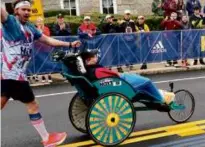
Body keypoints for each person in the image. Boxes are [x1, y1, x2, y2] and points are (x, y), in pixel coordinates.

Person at [1, 1, 81, 147]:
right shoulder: (10, 22)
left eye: (29, 10)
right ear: (16, 11)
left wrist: (69, 44)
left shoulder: (30, 28)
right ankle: (46, 138)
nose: (27, 12)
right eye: (24, 9)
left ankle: (46, 138)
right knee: (33, 104)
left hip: (9, 75)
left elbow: (48, 40)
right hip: (14, 75)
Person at [81, 50, 177, 107]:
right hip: (121, 83)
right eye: (94, 56)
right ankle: (160, 98)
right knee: (147, 82)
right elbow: (116, 76)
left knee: (137, 77)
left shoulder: (90, 70)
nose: (96, 57)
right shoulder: (97, 70)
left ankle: (158, 93)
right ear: (90, 60)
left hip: (117, 81)